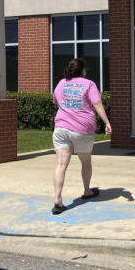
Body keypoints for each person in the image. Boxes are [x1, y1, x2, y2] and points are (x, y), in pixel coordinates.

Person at [50, 58, 112, 215]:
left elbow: (56, 101)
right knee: (85, 161)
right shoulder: (89, 84)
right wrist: (107, 122)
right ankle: (87, 191)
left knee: (61, 164)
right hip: (82, 129)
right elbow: (97, 103)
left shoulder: (61, 83)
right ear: (82, 70)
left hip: (61, 128)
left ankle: (57, 200)